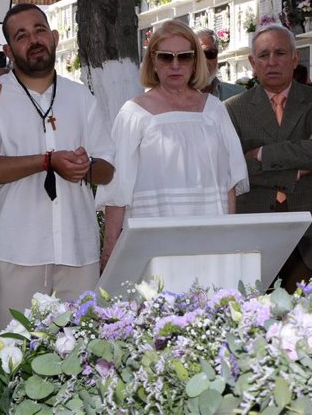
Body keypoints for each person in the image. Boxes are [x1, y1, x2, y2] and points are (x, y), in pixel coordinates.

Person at [0, 3, 115, 330]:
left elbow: (108, 167)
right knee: (12, 359)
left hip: (77, 249)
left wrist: (86, 166)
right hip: (15, 249)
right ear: (9, 50)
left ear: (54, 37)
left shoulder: (81, 97)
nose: (34, 40)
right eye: (22, 36)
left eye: (40, 30)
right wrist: (47, 162)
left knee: (82, 356)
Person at [98, 20, 248, 269]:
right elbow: (117, 190)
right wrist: (110, 250)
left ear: (195, 61)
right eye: (166, 57)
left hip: (209, 238)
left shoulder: (215, 110)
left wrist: (228, 238)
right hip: (153, 240)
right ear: (153, 62)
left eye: (185, 57)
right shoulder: (133, 113)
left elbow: (229, 183)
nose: (175, 65)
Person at [225, 24, 312, 293]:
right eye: (263, 55)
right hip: (256, 225)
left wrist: (261, 154)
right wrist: (295, 169)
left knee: (308, 317)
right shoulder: (232, 110)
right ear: (252, 63)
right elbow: (235, 167)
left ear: (295, 58)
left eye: (280, 53)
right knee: (256, 315)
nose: (272, 62)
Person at [195, 27, 245, 100]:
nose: (204, 61)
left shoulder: (238, 95)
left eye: (210, 53)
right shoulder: (175, 99)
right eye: (198, 55)